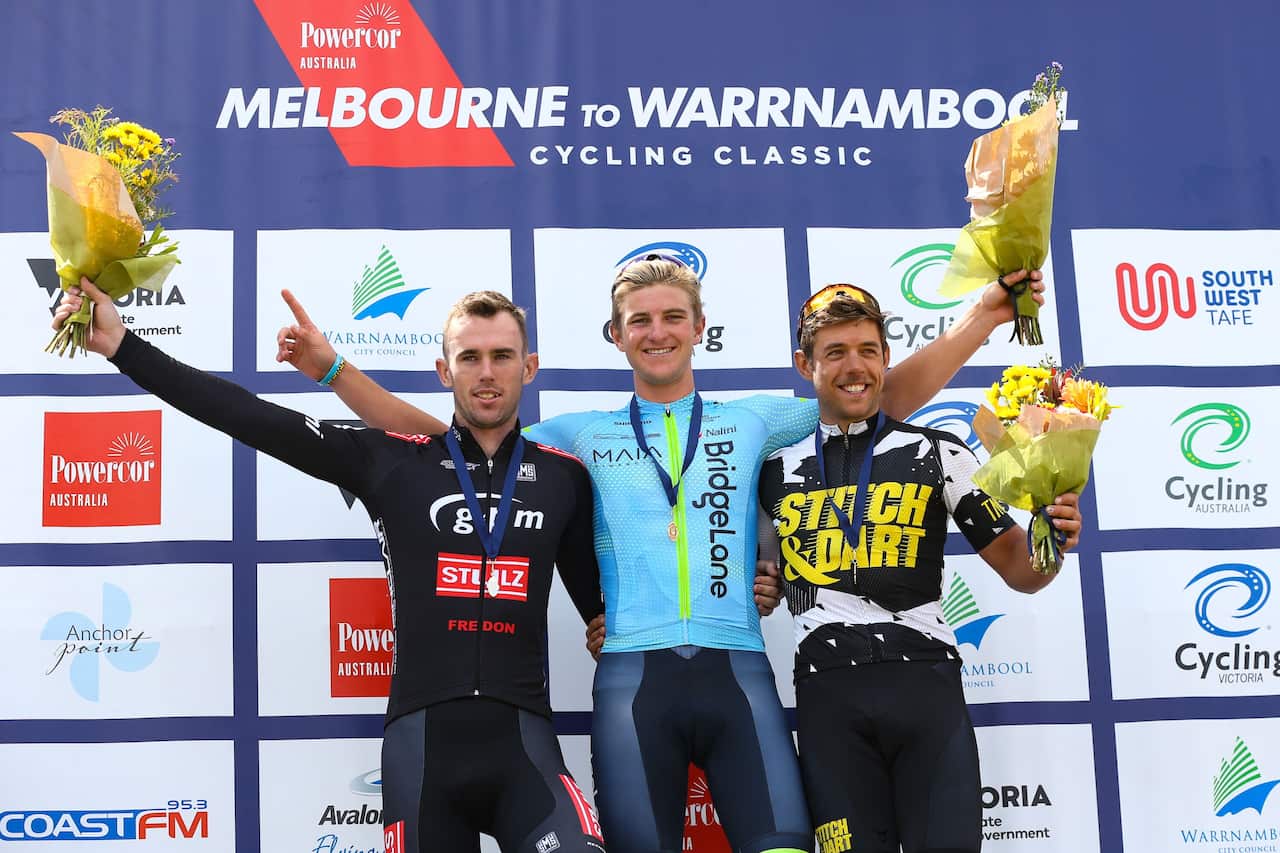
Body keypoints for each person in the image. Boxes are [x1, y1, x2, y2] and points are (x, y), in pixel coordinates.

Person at [274, 259, 1045, 853]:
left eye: (674, 315)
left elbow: (871, 394)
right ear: (616, 335)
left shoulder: (756, 420)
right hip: (633, 682)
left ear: (700, 326)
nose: (657, 330)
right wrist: (334, 372)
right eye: (639, 319)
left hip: (738, 671)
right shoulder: (579, 435)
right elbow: (435, 447)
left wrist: (980, 318)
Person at [54, 282, 607, 853]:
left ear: (530, 366)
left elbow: (603, 611)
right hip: (423, 758)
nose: (486, 372)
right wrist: (123, 345)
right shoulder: (392, 461)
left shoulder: (564, 478)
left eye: (502, 356)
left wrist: (612, 628)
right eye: (469, 357)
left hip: (527, 750)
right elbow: (246, 415)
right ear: (445, 370)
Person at [757, 283, 1082, 853]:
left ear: (886, 357)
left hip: (925, 684)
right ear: (804, 364)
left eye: (867, 350)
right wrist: (763, 585)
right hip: (828, 699)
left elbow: (1020, 569)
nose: (854, 367)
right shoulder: (773, 469)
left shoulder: (939, 451)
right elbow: (759, 576)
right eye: (834, 353)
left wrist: (1050, 537)